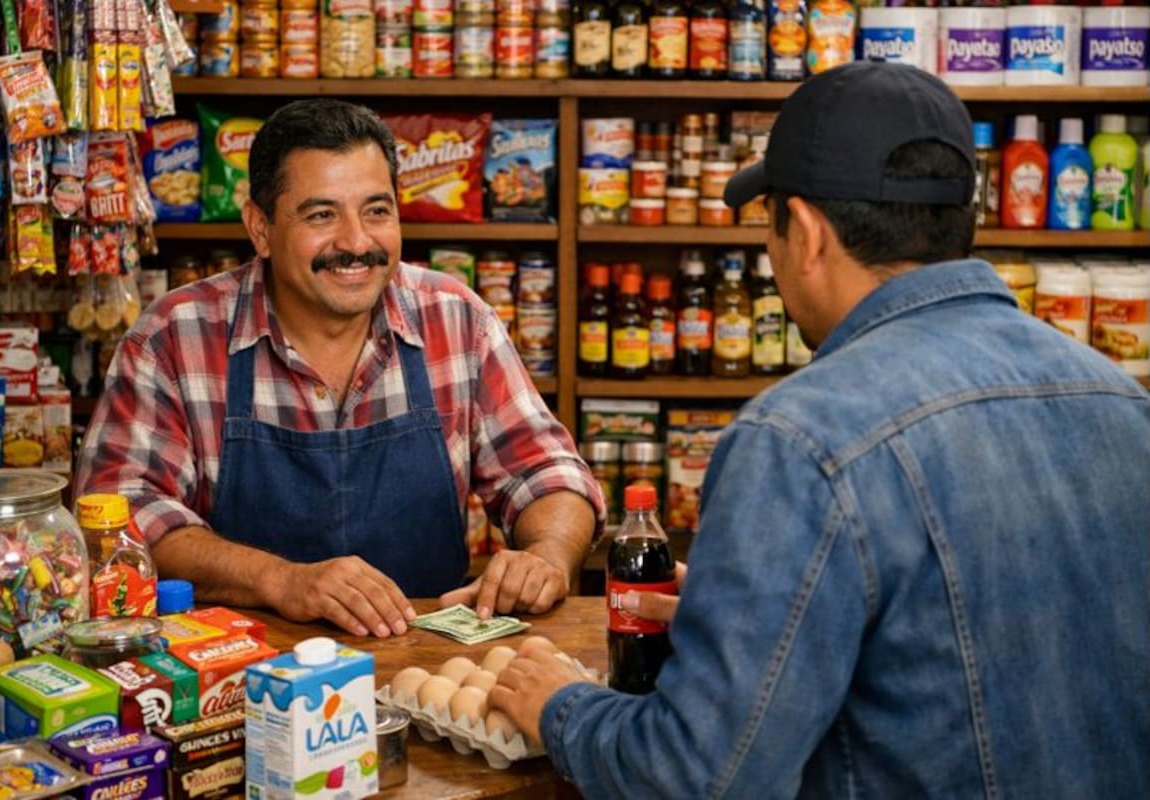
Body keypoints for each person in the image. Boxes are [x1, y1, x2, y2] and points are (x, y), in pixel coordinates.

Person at [489, 61, 1150, 797]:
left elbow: (699, 777)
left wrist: (560, 706)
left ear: (803, 232)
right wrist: (748, 606)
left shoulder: (798, 439)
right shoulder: (1121, 398)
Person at [75, 100, 604, 638]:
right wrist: (278, 580)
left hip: (428, 665)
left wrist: (547, 555)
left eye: (377, 211)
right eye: (322, 215)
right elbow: (119, 517)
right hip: (235, 672)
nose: (356, 243)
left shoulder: (457, 320)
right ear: (260, 227)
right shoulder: (174, 336)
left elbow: (547, 472)